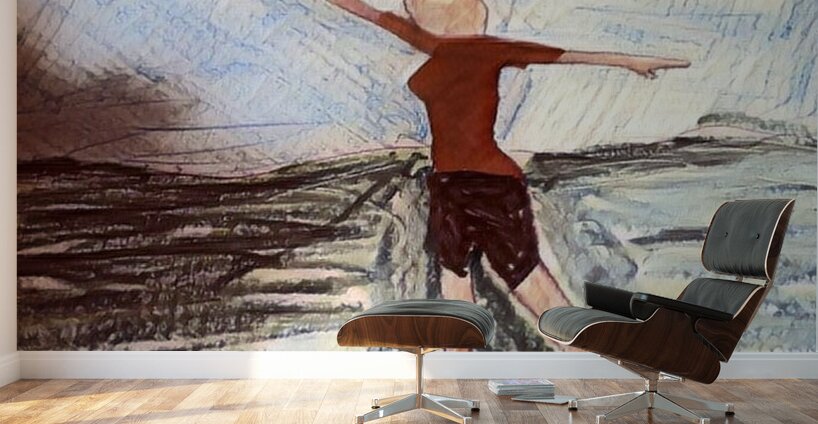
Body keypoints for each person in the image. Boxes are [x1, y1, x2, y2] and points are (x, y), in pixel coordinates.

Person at [327, 0, 690, 317]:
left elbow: (562, 55)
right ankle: (460, 369)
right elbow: (372, 13)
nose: (412, 7)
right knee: (455, 283)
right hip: (446, 186)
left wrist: (631, 61)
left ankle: (585, 359)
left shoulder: (489, 49)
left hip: (493, 185)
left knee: (529, 283)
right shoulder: (435, 45)